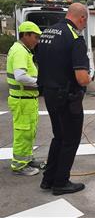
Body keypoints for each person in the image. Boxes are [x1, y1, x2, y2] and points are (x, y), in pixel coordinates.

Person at [36, 3, 91, 195]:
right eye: (85, 21)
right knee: (70, 140)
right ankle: (61, 182)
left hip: (49, 94)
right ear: (82, 18)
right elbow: (82, 78)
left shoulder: (47, 33)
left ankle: (48, 179)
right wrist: (89, 78)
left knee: (58, 136)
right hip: (68, 97)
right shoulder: (75, 37)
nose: (84, 25)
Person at [6, 21, 42, 176]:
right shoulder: (20, 51)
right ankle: (19, 165)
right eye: (35, 37)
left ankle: (27, 159)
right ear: (25, 35)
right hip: (22, 100)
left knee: (29, 132)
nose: (37, 41)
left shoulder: (24, 50)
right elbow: (20, 76)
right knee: (23, 132)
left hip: (27, 100)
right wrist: (40, 83)